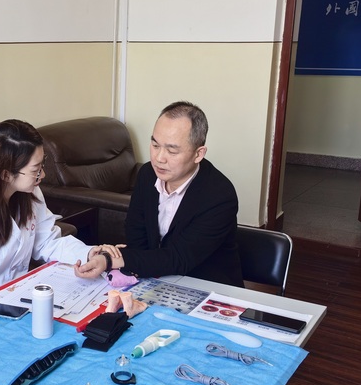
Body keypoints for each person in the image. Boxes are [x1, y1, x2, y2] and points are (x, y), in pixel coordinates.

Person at [0, 119, 115, 315]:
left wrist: (88, 254)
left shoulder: (29, 193)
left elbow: (48, 242)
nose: (42, 175)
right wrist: (12, 312)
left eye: (42, 164)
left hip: (18, 300)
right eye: (35, 170)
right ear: (5, 174)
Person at [76, 101, 243, 287]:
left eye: (172, 150)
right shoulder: (147, 175)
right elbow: (135, 234)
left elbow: (180, 258)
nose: (159, 158)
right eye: (155, 145)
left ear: (198, 154)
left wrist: (112, 259)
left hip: (206, 286)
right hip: (156, 279)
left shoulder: (219, 195)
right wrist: (122, 258)